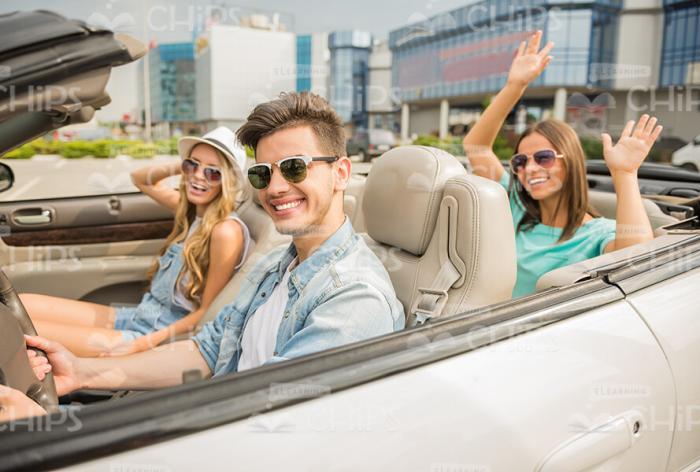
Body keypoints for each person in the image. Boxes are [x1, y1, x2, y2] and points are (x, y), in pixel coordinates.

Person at [25, 91, 405, 396]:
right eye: (262, 173)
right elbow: (206, 350)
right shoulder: (275, 264)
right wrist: (82, 372)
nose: (275, 188)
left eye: (294, 167)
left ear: (340, 173)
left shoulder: (354, 299)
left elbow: (270, 416)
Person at [463, 30, 662, 297]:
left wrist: (624, 173)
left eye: (543, 158)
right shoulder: (515, 206)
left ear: (570, 163)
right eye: (521, 161)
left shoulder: (597, 233)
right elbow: (476, 147)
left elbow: (636, 259)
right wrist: (515, 86)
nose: (529, 168)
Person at [20, 127, 251, 356]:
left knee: (13, 330)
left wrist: (144, 344)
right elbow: (141, 180)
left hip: (158, 334)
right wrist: (183, 165)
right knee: (20, 304)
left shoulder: (225, 231)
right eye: (193, 165)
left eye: (213, 173)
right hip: (138, 315)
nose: (199, 175)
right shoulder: (192, 211)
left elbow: (207, 311)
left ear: (227, 182)